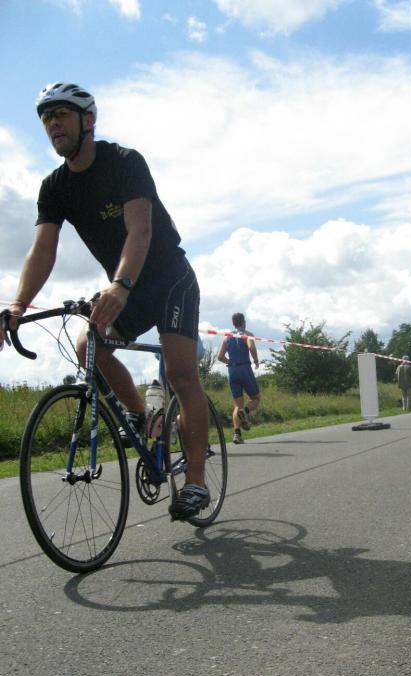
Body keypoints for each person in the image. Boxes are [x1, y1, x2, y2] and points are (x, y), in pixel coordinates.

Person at [0, 82, 209, 521]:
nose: (52, 124)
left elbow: (140, 231)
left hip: (169, 279)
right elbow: (42, 250)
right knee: (87, 346)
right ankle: (141, 415)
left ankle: (195, 482)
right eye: (46, 118)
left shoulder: (125, 162)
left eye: (61, 114)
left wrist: (120, 285)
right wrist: (18, 305)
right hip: (126, 284)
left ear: (88, 121)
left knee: (181, 374)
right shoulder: (54, 187)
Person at [218, 312, 260, 444]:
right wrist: (256, 360)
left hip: (232, 371)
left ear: (233, 323)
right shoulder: (247, 334)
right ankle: (245, 412)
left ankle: (237, 434)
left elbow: (220, 356)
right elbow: (251, 347)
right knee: (256, 398)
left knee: (237, 405)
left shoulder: (227, 337)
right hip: (245, 369)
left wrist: (229, 362)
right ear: (243, 322)